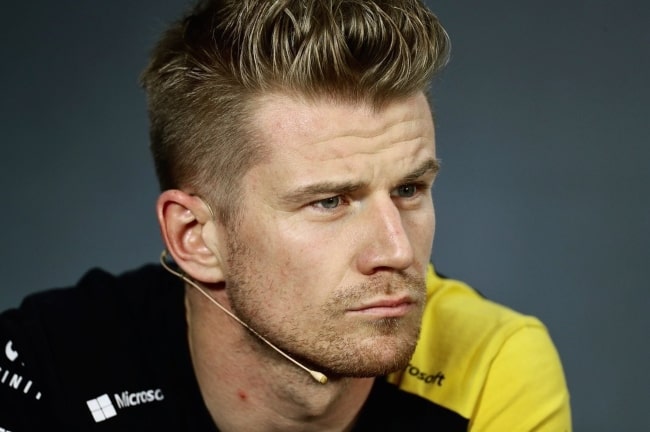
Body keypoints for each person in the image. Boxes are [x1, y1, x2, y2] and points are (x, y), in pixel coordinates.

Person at [0, 0, 571, 430]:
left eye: (409, 188)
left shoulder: (490, 364)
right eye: (329, 202)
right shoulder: (44, 366)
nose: (398, 251)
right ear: (195, 236)